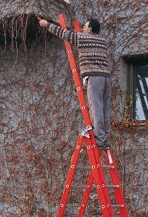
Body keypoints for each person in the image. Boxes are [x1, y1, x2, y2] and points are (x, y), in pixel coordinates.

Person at [39, 18, 111, 149]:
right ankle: (105, 139)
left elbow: (64, 34)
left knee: (96, 108)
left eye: (85, 27)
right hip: (106, 77)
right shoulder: (103, 40)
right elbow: (74, 34)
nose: (82, 28)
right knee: (105, 109)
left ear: (89, 30)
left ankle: (99, 140)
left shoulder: (82, 38)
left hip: (94, 78)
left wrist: (47, 24)